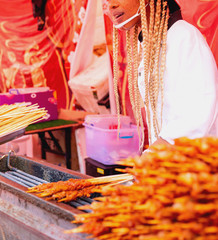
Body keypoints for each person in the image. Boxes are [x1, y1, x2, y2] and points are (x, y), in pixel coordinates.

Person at [106, 0, 218, 150]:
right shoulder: (152, 42)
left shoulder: (183, 36)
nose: (111, 5)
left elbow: (196, 113)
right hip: (172, 163)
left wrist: (157, 151)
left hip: (194, 163)